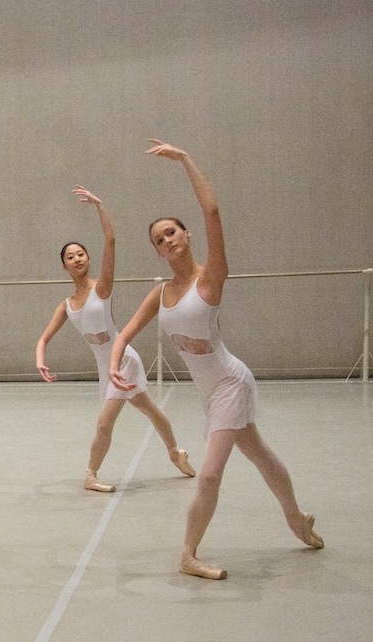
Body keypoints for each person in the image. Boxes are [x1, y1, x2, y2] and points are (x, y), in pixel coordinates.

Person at [110, 140, 324, 580]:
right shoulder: (160, 294)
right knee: (261, 454)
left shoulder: (211, 279)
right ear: (158, 252)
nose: (167, 240)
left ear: (187, 236)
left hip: (229, 382)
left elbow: (212, 212)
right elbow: (126, 331)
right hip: (209, 391)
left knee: (208, 475)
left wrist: (186, 160)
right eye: (158, 239)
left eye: (172, 232)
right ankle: (297, 519)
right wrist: (116, 362)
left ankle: (187, 554)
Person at [36, 186, 195, 492]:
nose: (77, 259)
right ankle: (176, 453)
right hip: (104, 368)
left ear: (89, 259)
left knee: (104, 424)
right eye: (70, 257)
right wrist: (41, 361)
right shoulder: (66, 306)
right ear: (64, 265)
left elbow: (110, 241)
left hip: (123, 362)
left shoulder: (102, 288)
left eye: (81, 254)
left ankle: (91, 475)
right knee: (150, 409)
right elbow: (44, 339)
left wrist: (99, 205)